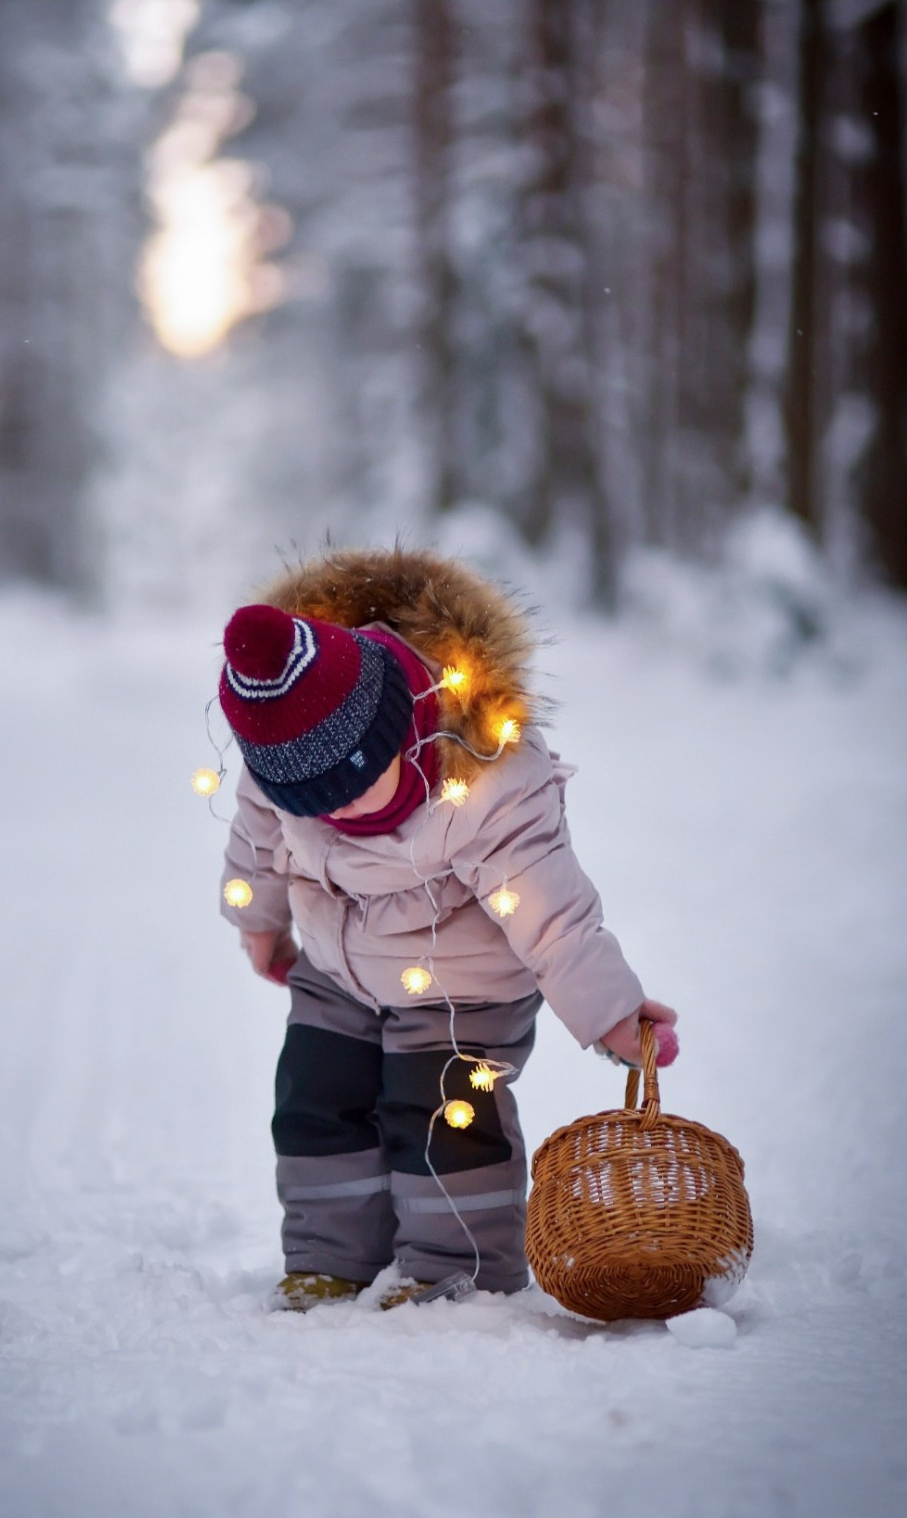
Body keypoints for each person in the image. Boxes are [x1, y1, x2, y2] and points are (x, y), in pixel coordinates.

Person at [216, 546, 676, 1311]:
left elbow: (552, 910)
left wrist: (611, 1016)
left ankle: (456, 1269)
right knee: (314, 1098)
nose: (339, 813)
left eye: (357, 789)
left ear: (397, 728)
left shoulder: (486, 774)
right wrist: (258, 923)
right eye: (316, 802)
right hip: (335, 968)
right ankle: (330, 1257)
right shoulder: (283, 761)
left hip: (461, 987)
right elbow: (257, 836)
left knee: (441, 1114)